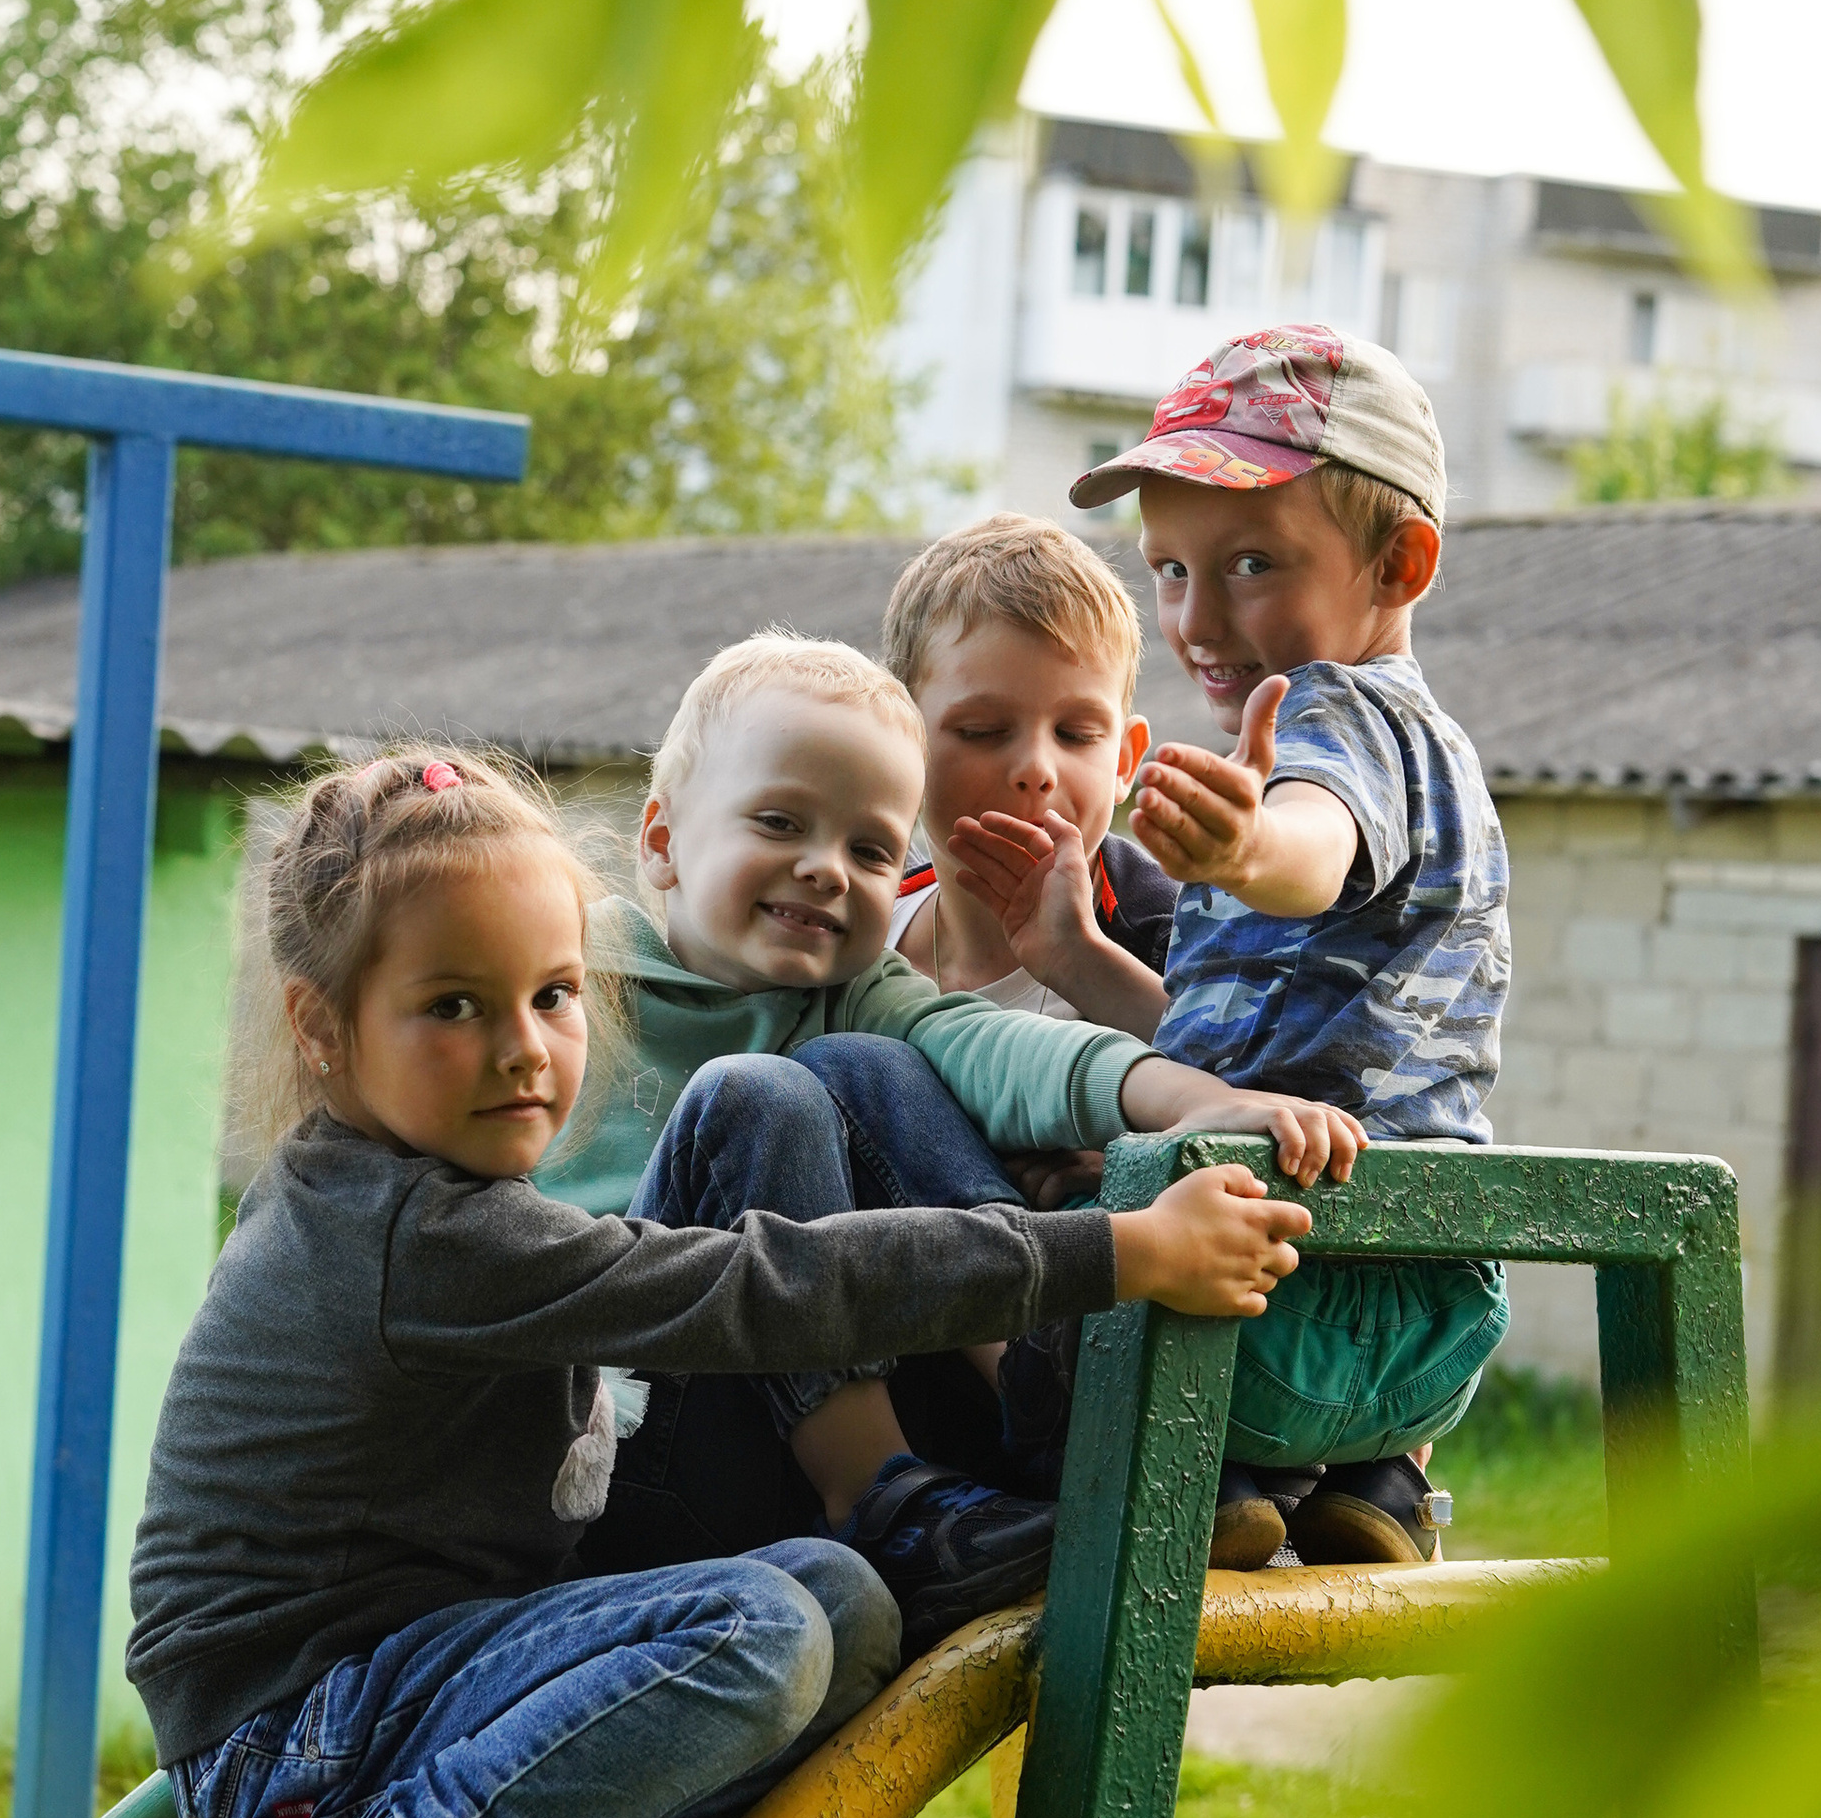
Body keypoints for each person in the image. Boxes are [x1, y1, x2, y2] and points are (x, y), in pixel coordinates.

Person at [128, 746, 1318, 1818]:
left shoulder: (431, 1193)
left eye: (557, 995)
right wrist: (1111, 1250)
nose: (526, 1048)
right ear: (321, 1026)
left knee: (846, 1606)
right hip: (300, 1759)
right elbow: (763, 1286)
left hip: (426, 1682)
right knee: (756, 1632)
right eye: (454, 1006)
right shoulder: (408, 1234)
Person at [548, 634, 1362, 1633]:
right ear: (664, 841)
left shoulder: (857, 996)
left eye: (870, 851)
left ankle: (1044, 1400)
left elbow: (997, 1050)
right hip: (613, 1450)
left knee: (879, 1067)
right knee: (754, 1098)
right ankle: (887, 1497)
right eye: (777, 822)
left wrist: (1190, 1100)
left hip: (769, 1468)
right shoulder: (565, 980)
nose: (823, 870)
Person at [958, 323, 1510, 1571]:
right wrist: (1079, 959)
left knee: (1007, 1205)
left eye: (1250, 562)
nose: (1197, 617)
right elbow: (1245, 1046)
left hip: (1259, 1286)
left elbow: (1310, 843)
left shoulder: (1333, 711)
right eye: (1168, 571)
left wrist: (1241, 851)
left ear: (1398, 564)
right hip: (1428, 1303)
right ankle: (1370, 1482)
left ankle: (1191, 1470)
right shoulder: (1449, 763)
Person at [879, 514, 1173, 1036]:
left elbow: (1251, 1083)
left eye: (1076, 734)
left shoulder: (1173, 935)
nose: (1037, 770)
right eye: (983, 730)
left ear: (1125, 761)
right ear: (899, 743)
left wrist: (1083, 964)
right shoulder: (861, 918)